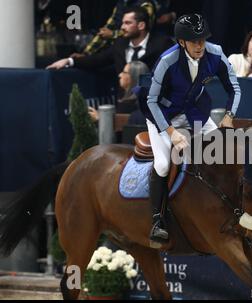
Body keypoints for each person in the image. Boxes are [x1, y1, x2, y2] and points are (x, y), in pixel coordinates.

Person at [143, 14, 241, 244]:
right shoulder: (167, 60)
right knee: (163, 163)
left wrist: (229, 116)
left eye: (202, 40)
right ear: (181, 42)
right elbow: (151, 101)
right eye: (194, 41)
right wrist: (172, 133)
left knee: (221, 153)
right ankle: (157, 220)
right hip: (162, 117)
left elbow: (234, 88)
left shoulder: (215, 53)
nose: (199, 46)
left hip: (195, 113)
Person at [46, 7, 173, 77]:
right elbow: (97, 60)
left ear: (141, 25)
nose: (122, 27)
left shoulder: (163, 44)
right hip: (124, 104)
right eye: (122, 23)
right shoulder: (120, 45)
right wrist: (69, 61)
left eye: (128, 23)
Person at [72, 0, 156, 58]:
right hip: (118, 52)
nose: (123, 26)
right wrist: (86, 54)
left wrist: (113, 34)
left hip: (142, 53)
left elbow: (141, 31)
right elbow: (106, 30)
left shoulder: (146, 5)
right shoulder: (121, 3)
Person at [88, 61, 149, 125]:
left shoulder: (128, 105)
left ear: (134, 77)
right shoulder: (148, 101)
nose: (120, 75)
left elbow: (120, 129)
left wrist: (99, 119)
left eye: (124, 72)